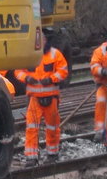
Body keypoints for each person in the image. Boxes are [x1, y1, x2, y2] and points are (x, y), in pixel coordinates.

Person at [15, 29, 69, 166]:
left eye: (41, 41)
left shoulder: (55, 54)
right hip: (34, 99)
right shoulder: (28, 55)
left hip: (51, 98)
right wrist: (26, 78)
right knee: (32, 127)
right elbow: (18, 71)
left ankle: (52, 153)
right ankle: (31, 157)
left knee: (52, 127)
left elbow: (63, 71)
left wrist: (51, 79)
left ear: (45, 41)